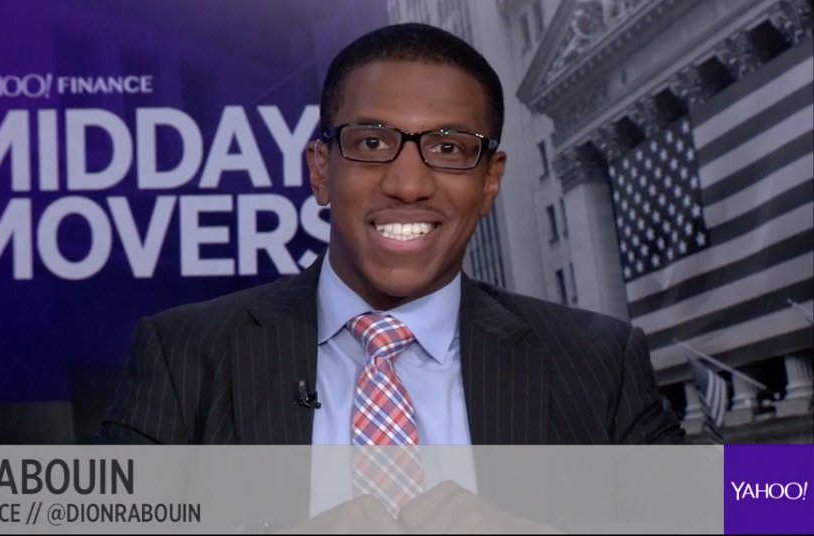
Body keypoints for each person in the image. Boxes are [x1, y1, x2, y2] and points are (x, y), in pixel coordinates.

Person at [98, 21, 683, 530]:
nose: (408, 184)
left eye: (449, 148)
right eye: (372, 142)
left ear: (490, 182)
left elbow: (734, 509)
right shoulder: (184, 354)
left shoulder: (599, 361)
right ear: (321, 171)